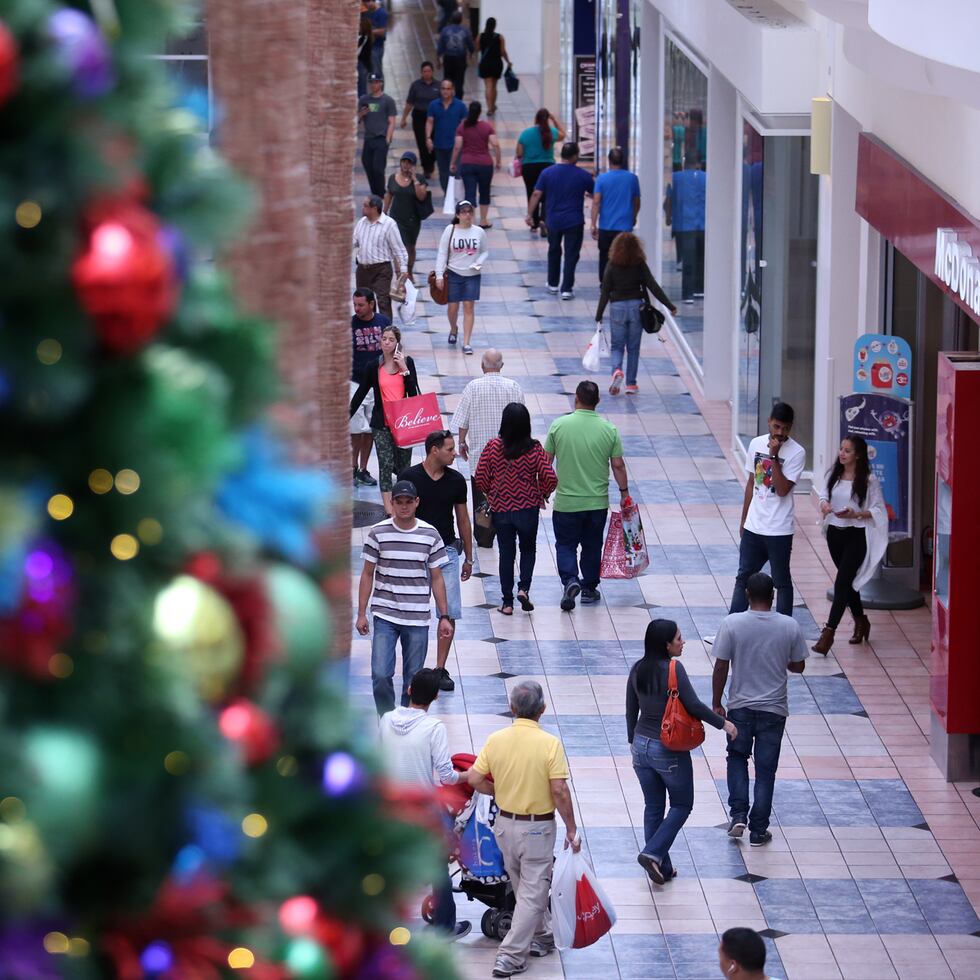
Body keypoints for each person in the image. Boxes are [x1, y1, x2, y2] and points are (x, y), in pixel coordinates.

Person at [462, 681, 581, 979]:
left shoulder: (496, 739)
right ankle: (510, 956)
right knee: (533, 891)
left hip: (503, 826)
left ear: (513, 709)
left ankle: (543, 936)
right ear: (542, 709)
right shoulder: (549, 744)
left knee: (523, 886)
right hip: (537, 828)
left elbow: (475, 778)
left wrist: (498, 791)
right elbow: (559, 789)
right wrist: (571, 827)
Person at [627, 620, 737, 885]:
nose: (683, 641)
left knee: (653, 806)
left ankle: (661, 866)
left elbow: (631, 708)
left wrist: (633, 741)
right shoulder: (674, 669)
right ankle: (652, 854)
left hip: (640, 747)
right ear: (666, 644)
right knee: (681, 805)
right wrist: (724, 724)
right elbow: (694, 705)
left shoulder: (637, 668)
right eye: (678, 638)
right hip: (668, 748)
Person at [711, 572, 808, 847]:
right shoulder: (789, 626)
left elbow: (721, 666)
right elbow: (798, 666)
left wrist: (717, 702)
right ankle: (758, 830)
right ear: (773, 597)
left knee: (737, 758)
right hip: (774, 711)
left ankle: (738, 814)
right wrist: (783, 661)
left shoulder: (732, 623)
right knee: (766, 771)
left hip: (740, 707)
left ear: (747, 595)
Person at [379, 668, 472, 941]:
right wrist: (468, 775)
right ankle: (443, 927)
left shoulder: (385, 720)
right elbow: (447, 775)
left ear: (408, 690)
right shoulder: (434, 728)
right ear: (434, 697)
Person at [356, 480, 454, 716]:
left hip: (417, 617)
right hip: (385, 614)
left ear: (416, 502)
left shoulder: (430, 534)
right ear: (391, 503)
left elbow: (437, 578)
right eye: (399, 502)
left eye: (408, 502)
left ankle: (405, 723)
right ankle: (387, 719)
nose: (403, 507)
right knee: (380, 674)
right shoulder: (378, 532)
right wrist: (361, 613)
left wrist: (445, 616)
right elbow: (368, 573)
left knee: (413, 679)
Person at [544, 381, 628, 612]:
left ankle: (570, 580)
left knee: (566, 545)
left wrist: (543, 491)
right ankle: (589, 588)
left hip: (567, 502)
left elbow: (545, 462)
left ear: (576, 399)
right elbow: (618, 465)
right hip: (596, 502)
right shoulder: (608, 429)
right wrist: (624, 493)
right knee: (592, 545)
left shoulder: (559, 426)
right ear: (597, 402)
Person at [400, 431, 473, 694]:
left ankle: (440, 668)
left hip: (446, 552)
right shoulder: (410, 477)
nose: (455, 454)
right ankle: (413, 667)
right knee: (410, 609)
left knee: (449, 610)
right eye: (450, 449)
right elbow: (401, 513)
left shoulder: (456, 481)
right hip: (414, 552)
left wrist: (469, 557)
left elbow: (463, 519)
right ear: (434, 450)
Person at [475, 403, 557, 615]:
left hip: (502, 509)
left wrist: (491, 493)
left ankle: (507, 602)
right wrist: (542, 493)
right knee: (528, 549)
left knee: (506, 553)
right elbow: (550, 477)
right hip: (528, 507)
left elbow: (481, 476)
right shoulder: (534, 449)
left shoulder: (493, 447)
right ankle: (524, 588)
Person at [728, 402, 805, 618]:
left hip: (779, 530)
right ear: (769, 422)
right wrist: (744, 520)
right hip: (754, 526)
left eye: (785, 429)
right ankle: (731, 628)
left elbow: (782, 490)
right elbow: (752, 484)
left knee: (781, 582)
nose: (780, 433)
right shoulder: (755, 444)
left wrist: (773, 456)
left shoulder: (797, 453)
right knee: (743, 578)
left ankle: (784, 631)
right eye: (777, 426)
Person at [813, 435, 887, 654]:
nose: (842, 454)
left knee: (841, 582)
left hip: (857, 534)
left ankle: (828, 633)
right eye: (841, 449)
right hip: (835, 533)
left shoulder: (869, 480)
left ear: (858, 455)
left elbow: (878, 510)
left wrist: (857, 514)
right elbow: (823, 496)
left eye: (847, 450)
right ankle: (861, 621)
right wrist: (824, 505)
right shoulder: (833, 475)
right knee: (847, 581)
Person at [349, 325, 419, 514]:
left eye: (391, 340)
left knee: (404, 468)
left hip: (404, 423)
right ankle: (389, 510)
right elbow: (361, 392)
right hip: (381, 424)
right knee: (385, 464)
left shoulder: (408, 362)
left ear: (398, 343)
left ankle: (405, 504)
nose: (386, 343)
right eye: (384, 339)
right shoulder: (374, 366)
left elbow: (414, 395)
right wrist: (346, 415)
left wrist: (404, 369)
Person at [595, 232, 675, 396]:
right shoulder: (639, 264)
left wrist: (599, 314)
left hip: (617, 308)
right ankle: (631, 384)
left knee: (617, 346)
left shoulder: (612, 264)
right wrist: (669, 305)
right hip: (636, 308)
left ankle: (617, 371)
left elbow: (605, 292)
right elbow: (653, 286)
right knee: (633, 348)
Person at [450, 348, 525, 523]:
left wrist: (461, 444)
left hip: (480, 460)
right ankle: (505, 529)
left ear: (482, 365)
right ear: (502, 366)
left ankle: (484, 535)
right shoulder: (514, 387)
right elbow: (522, 421)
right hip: (510, 458)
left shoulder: (472, 387)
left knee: (481, 501)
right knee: (508, 498)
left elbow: (463, 421)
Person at [525, 142, 594, 300]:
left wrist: (530, 215)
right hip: (574, 221)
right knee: (571, 254)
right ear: (575, 156)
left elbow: (536, 194)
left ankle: (552, 283)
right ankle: (567, 288)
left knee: (554, 250)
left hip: (553, 220)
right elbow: (594, 194)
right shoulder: (583, 175)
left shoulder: (547, 173)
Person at [434, 200, 488, 355]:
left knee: (469, 307)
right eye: (464, 212)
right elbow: (442, 253)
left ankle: (466, 342)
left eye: (470, 212)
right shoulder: (450, 230)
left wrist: (479, 262)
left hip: (472, 275)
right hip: (453, 273)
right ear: (457, 215)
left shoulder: (479, 232)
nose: (467, 215)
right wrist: (439, 275)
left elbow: (484, 251)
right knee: (452, 308)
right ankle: (453, 328)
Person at [350, 288, 387, 488]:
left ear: (371, 304)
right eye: (355, 304)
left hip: (377, 384)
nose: (357, 309)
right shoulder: (350, 324)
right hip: (354, 382)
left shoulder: (383, 322)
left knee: (371, 429)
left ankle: (363, 469)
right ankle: (352, 467)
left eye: (361, 305)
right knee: (355, 429)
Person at [352, 194, 408, 319]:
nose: (362, 208)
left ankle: (386, 331)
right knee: (365, 301)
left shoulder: (389, 224)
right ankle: (368, 330)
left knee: (383, 300)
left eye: (365, 206)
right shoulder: (362, 222)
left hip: (381, 269)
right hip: (362, 269)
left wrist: (403, 270)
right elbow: (354, 241)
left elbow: (399, 249)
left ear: (375, 208)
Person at [591, 146, 642, 281]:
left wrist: (593, 224)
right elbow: (637, 201)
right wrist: (634, 217)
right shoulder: (632, 179)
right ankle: (621, 282)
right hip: (624, 226)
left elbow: (596, 201)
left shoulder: (601, 179)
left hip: (606, 226)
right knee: (624, 256)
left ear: (609, 161)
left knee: (604, 255)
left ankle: (604, 282)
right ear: (623, 161)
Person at [450, 100, 500, 229]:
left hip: (468, 164)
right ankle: (483, 220)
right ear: (480, 112)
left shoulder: (462, 126)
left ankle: (470, 221)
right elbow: (495, 144)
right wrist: (499, 161)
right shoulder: (487, 126)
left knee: (470, 193)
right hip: (485, 164)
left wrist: (453, 162)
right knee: (485, 191)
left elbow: (457, 146)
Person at [516, 109, 565, 235]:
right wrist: (554, 120)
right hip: (548, 167)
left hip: (529, 167)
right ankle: (544, 219)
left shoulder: (526, 133)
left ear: (536, 119)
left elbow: (519, 153)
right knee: (547, 194)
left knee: (532, 192)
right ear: (547, 119)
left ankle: (534, 222)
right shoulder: (551, 132)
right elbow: (563, 134)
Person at [384, 151, 429, 282]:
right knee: (398, 246)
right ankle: (399, 274)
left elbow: (422, 196)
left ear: (414, 165)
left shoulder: (420, 178)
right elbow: (389, 195)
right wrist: (384, 213)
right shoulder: (393, 178)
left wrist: (414, 179)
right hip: (396, 218)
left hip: (412, 219)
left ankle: (409, 270)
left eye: (409, 162)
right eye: (404, 161)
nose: (405, 165)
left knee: (410, 247)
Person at [668, 156, 706, 302]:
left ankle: (687, 293)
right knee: (702, 258)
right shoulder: (707, 177)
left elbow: (670, 199)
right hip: (703, 224)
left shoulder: (676, 178)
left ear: (684, 164)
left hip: (684, 225)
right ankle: (700, 289)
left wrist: (669, 217)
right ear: (697, 164)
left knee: (688, 260)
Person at [357, 74, 397, 198]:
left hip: (381, 138)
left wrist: (388, 139)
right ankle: (375, 193)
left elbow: (392, 121)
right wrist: (360, 115)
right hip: (369, 139)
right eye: (371, 82)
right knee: (367, 164)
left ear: (381, 83)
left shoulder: (387, 101)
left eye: (376, 82)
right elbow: (357, 120)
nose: (373, 84)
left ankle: (380, 194)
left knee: (378, 168)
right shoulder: (364, 100)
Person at [425, 79, 468, 193]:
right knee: (443, 172)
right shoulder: (433, 105)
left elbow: (465, 125)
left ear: (452, 90)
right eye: (443, 88)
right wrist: (428, 138)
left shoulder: (460, 106)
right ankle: (447, 193)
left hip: (455, 146)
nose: (445, 91)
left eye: (448, 89)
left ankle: (455, 195)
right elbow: (430, 122)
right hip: (439, 145)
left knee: (455, 170)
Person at [401, 62, 440, 178]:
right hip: (419, 117)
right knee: (422, 143)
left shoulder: (439, 85)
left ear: (432, 72)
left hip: (434, 117)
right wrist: (404, 117)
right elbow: (410, 103)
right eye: (424, 71)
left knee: (434, 142)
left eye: (429, 71)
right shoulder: (416, 86)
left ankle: (432, 161)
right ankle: (426, 167)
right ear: (421, 73)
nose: (427, 73)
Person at [475, 17, 510, 117]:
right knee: (494, 86)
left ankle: (490, 108)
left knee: (488, 86)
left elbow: (477, 49)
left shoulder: (480, 36)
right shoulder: (500, 37)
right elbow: (503, 52)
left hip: (485, 63)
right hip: (496, 63)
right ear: (495, 26)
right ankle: (492, 106)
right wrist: (508, 61)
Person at [437, 9, 474, 101]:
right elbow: (471, 45)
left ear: (451, 19)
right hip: (460, 59)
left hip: (448, 59)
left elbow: (440, 47)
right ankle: (458, 100)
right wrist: (470, 55)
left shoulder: (445, 30)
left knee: (447, 79)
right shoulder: (465, 31)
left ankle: (446, 97)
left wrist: (438, 59)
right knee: (459, 81)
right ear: (461, 20)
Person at [367, 0, 388, 79]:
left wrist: (369, 31)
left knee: (376, 72)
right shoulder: (369, 12)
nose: (367, 6)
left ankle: (379, 90)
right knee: (371, 72)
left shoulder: (382, 13)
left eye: (367, 4)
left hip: (376, 47)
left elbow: (383, 31)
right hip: (368, 47)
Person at [356, 14, 373, 98]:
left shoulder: (364, 38)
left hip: (362, 64)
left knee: (361, 88)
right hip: (364, 65)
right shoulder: (367, 37)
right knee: (362, 86)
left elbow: (358, 52)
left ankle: (363, 107)